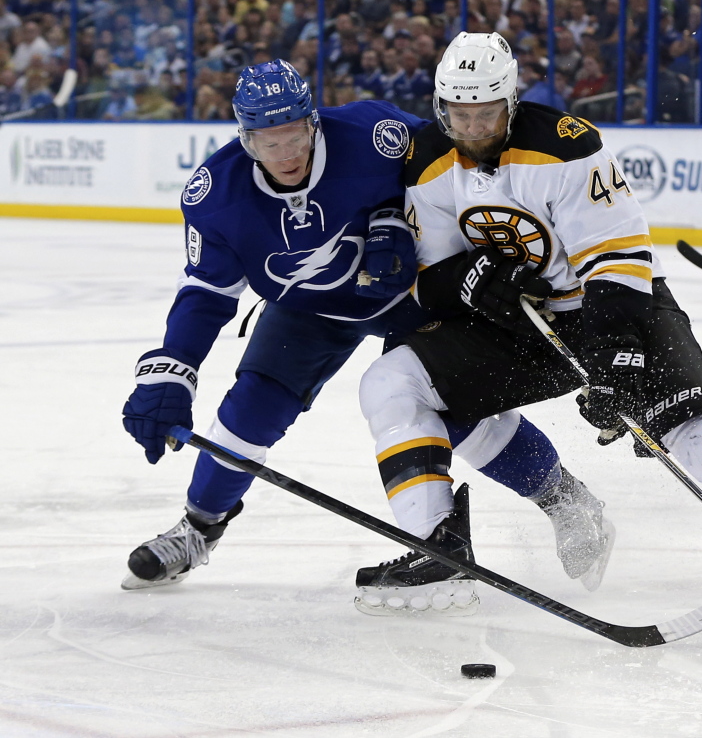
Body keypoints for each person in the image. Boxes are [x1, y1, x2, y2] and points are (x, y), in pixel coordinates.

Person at [355, 32, 702, 629]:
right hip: (521, 324)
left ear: (510, 102)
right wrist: (470, 280)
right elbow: (429, 273)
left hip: (619, 310)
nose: (474, 125)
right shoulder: (427, 162)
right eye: (460, 112)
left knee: (699, 430)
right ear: (440, 106)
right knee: (393, 381)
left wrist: (615, 359)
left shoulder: (567, 147)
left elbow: (618, 261)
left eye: (486, 111)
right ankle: (440, 549)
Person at [120, 60, 616, 613]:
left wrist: (395, 217)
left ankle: (567, 501)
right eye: (267, 141)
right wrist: (172, 369)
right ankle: (197, 530)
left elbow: (450, 164)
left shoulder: (374, 135)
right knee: (249, 410)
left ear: (313, 121)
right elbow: (207, 297)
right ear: (244, 138)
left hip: (409, 294)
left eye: (293, 135)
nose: (285, 154)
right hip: (305, 312)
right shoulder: (216, 195)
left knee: (453, 407)